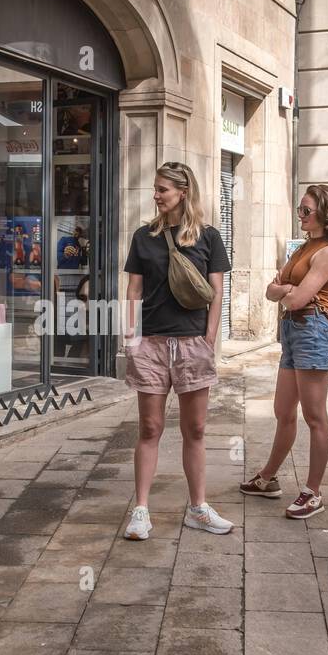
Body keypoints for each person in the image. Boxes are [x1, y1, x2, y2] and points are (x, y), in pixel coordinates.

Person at [122, 161, 233, 541]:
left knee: (196, 429)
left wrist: (209, 339)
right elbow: (134, 291)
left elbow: (216, 293)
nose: (155, 195)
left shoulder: (209, 237)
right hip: (151, 343)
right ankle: (140, 510)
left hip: (192, 343)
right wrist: (131, 339)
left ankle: (197, 508)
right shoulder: (142, 237)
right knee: (150, 427)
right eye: (155, 189)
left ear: (183, 192)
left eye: (162, 189)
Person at [240, 185, 328, 518]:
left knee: (315, 416)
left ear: (325, 214)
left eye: (306, 210)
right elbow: (273, 292)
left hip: (313, 331)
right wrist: (286, 290)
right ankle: (268, 479)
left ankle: (313, 492)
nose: (300, 215)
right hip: (293, 330)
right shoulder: (304, 247)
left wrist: (285, 290)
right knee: (282, 410)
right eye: (299, 210)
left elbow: (297, 298)